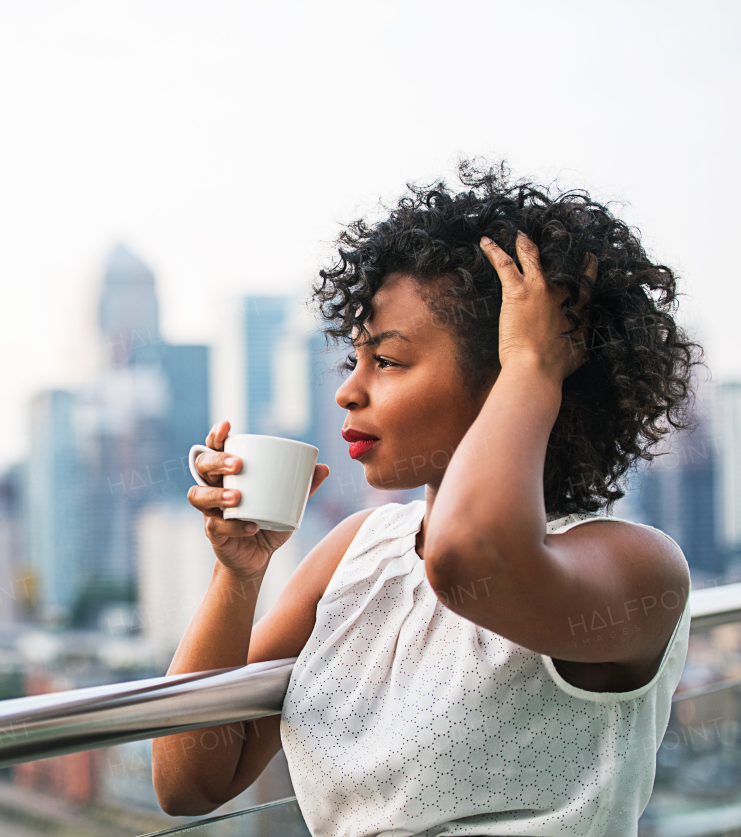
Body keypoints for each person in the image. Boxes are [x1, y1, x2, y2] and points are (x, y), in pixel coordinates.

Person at [151, 162, 702, 836]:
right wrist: (238, 575)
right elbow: (189, 782)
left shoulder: (635, 565)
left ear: (509, 368)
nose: (348, 392)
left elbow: (470, 558)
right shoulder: (356, 553)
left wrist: (531, 363)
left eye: (387, 361)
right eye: (354, 359)